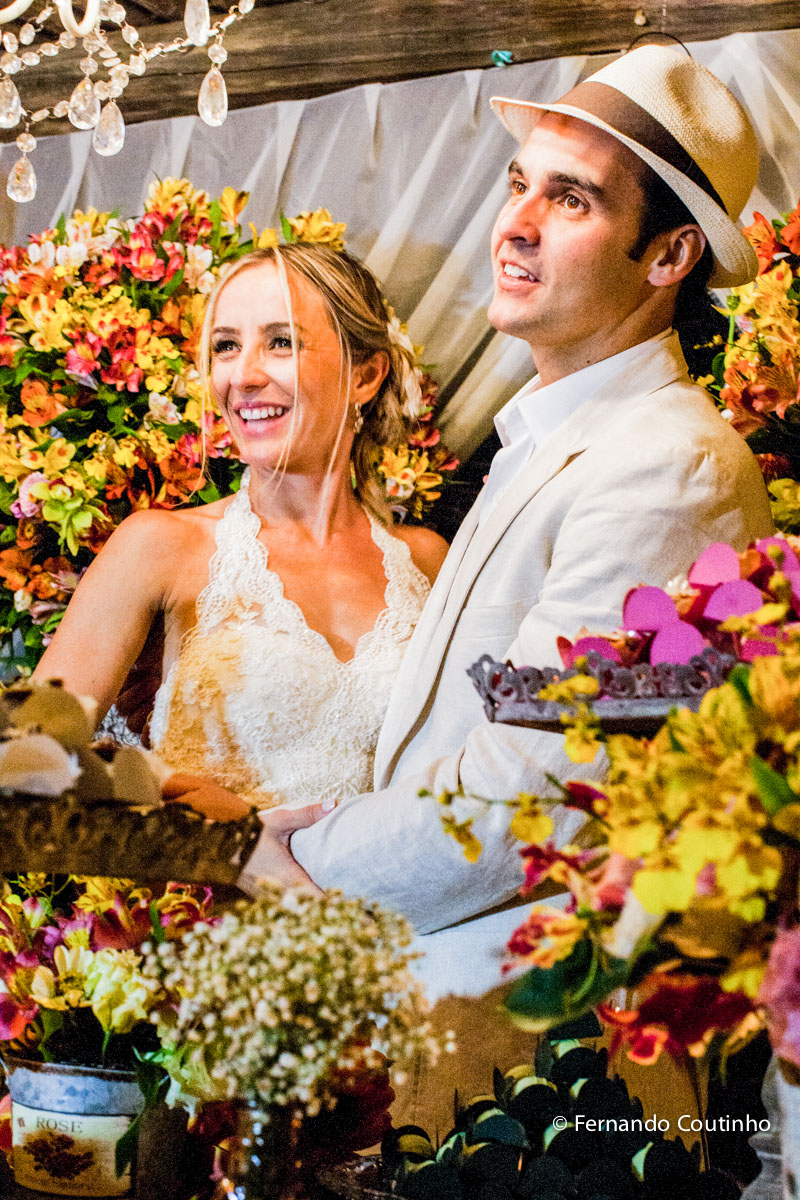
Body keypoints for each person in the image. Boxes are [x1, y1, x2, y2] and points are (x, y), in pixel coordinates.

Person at [167, 44, 775, 1121]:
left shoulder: (665, 464)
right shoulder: (547, 443)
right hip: (441, 1032)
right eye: (516, 184)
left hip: (543, 1068)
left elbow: (533, 788)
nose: (516, 223)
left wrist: (287, 857)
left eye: (571, 197)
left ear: (668, 253)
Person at [33, 245, 449, 826]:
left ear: (366, 374)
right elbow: (26, 757)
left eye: (281, 342)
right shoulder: (162, 545)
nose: (244, 376)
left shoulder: (429, 562)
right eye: (226, 346)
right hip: (213, 903)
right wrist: (170, 789)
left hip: (395, 904)